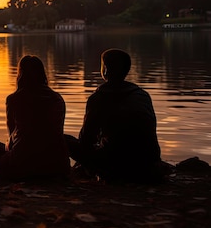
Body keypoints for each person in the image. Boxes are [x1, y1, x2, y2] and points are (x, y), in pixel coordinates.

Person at [66, 49, 163, 183]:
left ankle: (87, 171)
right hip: (149, 166)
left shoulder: (98, 98)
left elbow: (86, 140)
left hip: (117, 168)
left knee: (65, 140)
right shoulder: (143, 95)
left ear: (105, 70)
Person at [0, 55, 70, 180]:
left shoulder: (14, 99)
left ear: (20, 75)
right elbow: (58, 132)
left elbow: (12, 138)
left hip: (23, 165)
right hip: (58, 167)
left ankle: (6, 169)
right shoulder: (57, 98)